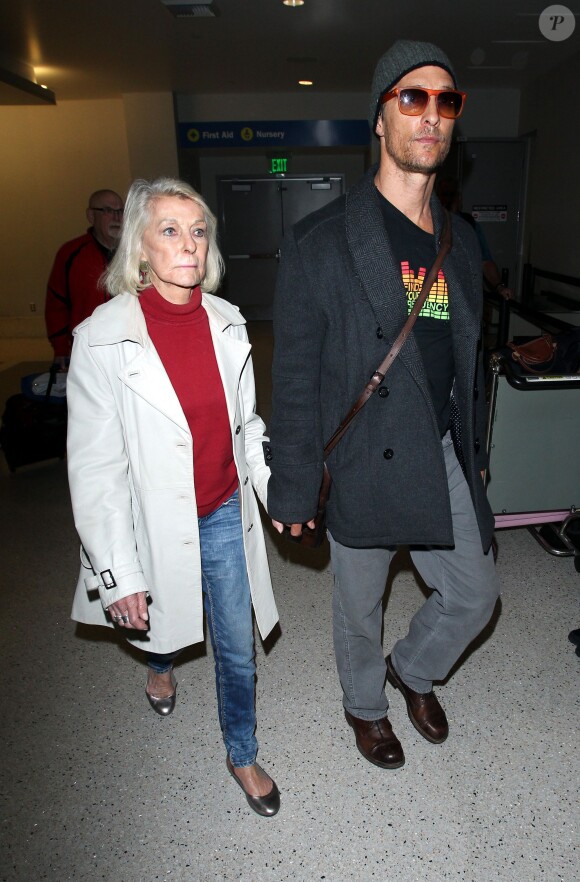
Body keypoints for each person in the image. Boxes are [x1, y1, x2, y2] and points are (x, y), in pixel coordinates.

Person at [267, 40, 501, 770]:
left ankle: (415, 670)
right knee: (357, 610)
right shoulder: (320, 242)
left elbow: (468, 364)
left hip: (435, 448)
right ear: (379, 118)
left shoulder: (460, 242)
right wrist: (294, 482)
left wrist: (474, 456)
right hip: (363, 453)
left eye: (446, 101)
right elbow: (296, 376)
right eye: (412, 98)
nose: (431, 115)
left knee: (475, 594)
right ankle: (366, 706)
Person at [67, 177, 280, 817]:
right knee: (164, 613)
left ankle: (240, 752)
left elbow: (247, 431)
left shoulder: (228, 322)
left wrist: (279, 498)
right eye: (169, 230)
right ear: (140, 247)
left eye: (197, 230)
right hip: (151, 519)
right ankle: (160, 661)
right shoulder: (101, 338)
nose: (187, 244)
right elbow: (95, 466)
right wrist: (119, 573)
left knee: (235, 641)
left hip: (221, 509)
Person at [45, 189, 124, 366]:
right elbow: (57, 304)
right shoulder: (71, 254)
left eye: (120, 211)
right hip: (87, 351)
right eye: (107, 211)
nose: (117, 218)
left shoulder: (137, 253)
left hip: (129, 347)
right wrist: (61, 350)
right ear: (91, 216)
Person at [435, 175, 512, 299]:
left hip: (464, 295)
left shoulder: (468, 226)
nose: (448, 200)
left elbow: (485, 261)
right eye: (445, 194)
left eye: (451, 194)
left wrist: (499, 286)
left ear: (458, 197)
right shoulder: (430, 223)